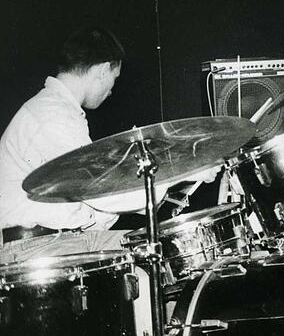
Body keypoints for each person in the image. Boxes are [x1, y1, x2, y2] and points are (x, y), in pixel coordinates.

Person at [0, 27, 211, 263]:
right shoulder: (50, 116)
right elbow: (102, 193)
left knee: (163, 251)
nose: (111, 91)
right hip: (36, 248)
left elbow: (96, 195)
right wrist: (183, 172)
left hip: (64, 239)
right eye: (114, 78)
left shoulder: (58, 110)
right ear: (102, 70)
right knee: (155, 261)